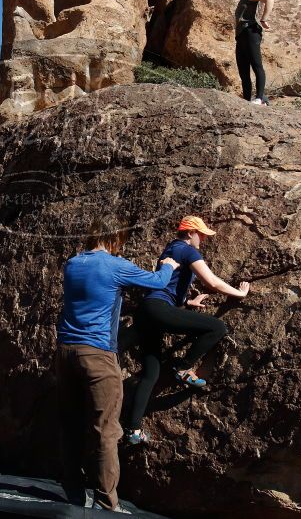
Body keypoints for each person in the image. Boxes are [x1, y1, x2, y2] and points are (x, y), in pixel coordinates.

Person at [55, 216, 180, 512]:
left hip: (65, 352)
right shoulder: (114, 265)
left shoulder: (72, 264)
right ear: (115, 239)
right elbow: (158, 282)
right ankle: (107, 503)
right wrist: (169, 265)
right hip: (97, 354)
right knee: (106, 430)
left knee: (71, 425)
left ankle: (73, 495)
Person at [124, 215, 251, 445]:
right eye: (201, 234)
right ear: (191, 233)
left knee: (151, 374)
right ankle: (183, 368)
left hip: (148, 311)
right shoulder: (187, 250)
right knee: (216, 327)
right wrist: (239, 293)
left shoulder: (171, 248)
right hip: (158, 308)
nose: (203, 239)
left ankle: (133, 430)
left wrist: (186, 305)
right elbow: (211, 282)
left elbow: (168, 285)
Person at [230, 0, 275, 105]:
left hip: (251, 32)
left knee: (256, 64)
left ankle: (260, 98)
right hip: (240, 36)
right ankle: (246, 101)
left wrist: (264, 19)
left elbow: (269, 0)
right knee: (243, 69)